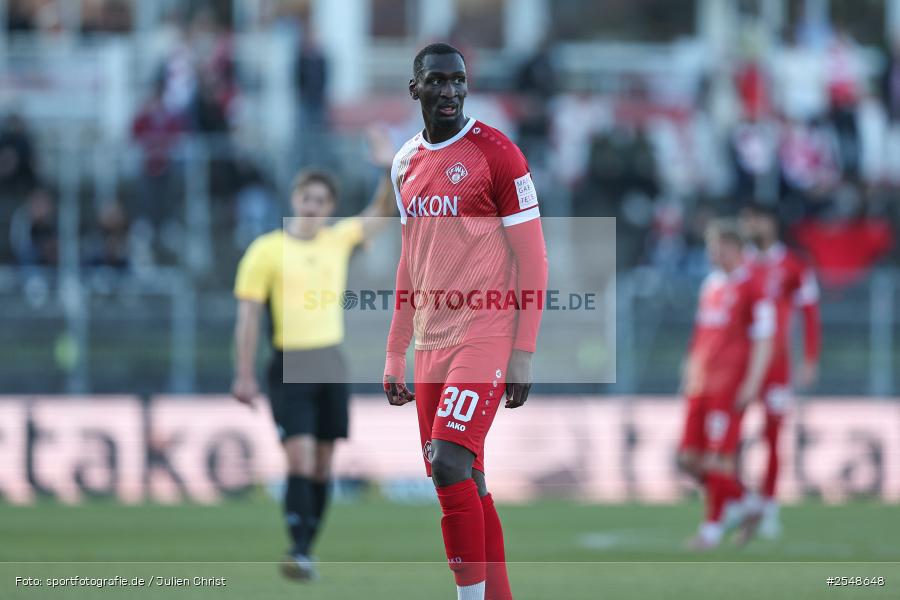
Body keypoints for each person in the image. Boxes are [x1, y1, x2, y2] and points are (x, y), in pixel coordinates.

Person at [382, 43, 548, 600]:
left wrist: (523, 350)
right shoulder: (404, 163)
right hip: (431, 339)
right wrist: (394, 352)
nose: (450, 91)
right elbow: (410, 262)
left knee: (450, 459)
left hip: (487, 331)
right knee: (465, 478)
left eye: (459, 81)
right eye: (438, 81)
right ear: (416, 89)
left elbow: (534, 258)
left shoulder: (499, 155)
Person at [231, 129, 396, 582]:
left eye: (321, 201)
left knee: (323, 464)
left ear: (330, 207)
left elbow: (382, 211)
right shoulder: (266, 250)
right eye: (306, 198)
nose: (312, 207)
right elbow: (247, 317)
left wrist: (385, 167)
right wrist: (243, 374)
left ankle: (306, 548)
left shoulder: (337, 240)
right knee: (300, 458)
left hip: (330, 362)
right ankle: (299, 549)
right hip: (289, 362)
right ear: (294, 199)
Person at [677, 220, 774, 550]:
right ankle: (748, 503)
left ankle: (711, 530)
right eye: (711, 246)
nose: (712, 253)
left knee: (719, 460)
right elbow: (701, 333)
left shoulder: (753, 287)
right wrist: (690, 368)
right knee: (689, 458)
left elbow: (764, 339)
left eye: (718, 246)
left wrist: (752, 382)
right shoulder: (711, 285)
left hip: (729, 384)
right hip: (701, 382)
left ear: (734, 248)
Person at [741, 204, 820, 538]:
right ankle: (738, 502)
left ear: (772, 223)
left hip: (775, 365)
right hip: (738, 364)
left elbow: (810, 313)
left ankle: (769, 508)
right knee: (727, 437)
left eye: (755, 218)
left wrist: (810, 357)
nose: (750, 224)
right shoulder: (738, 263)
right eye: (747, 219)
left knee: (773, 436)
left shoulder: (794, 265)